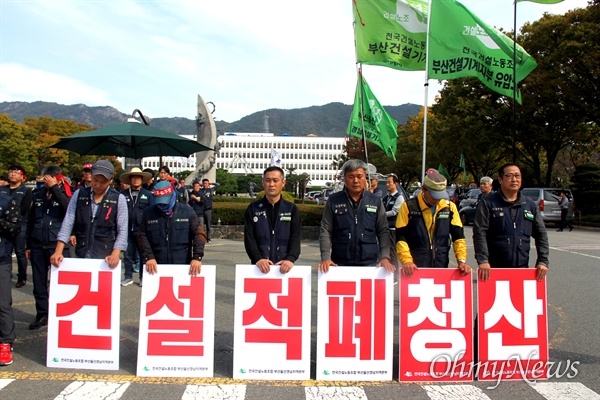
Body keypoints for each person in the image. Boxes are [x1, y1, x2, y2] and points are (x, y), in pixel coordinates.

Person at [473, 163, 549, 282]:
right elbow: (480, 233)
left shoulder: (529, 204)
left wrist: (543, 261)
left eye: (517, 176)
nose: (514, 179)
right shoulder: (488, 203)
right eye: (509, 176)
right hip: (494, 269)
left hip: (522, 268)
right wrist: (483, 260)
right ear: (500, 179)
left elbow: (541, 234)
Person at [318, 159, 394, 273]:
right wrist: (325, 257)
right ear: (344, 178)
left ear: (365, 178)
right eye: (351, 176)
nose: (355, 181)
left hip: (370, 263)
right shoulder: (333, 200)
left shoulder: (375, 201)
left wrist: (385, 257)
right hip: (339, 264)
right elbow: (325, 230)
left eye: (359, 176)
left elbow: (383, 231)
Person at [50, 160, 128, 269]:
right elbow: (68, 222)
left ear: (110, 180)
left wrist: (115, 254)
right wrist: (58, 251)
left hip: (105, 254)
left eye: (103, 182)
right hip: (81, 250)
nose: (98, 185)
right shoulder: (79, 194)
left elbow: (122, 229)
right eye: (95, 180)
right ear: (90, 176)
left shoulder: (119, 199)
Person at [396, 171, 471, 278]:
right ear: (423, 189)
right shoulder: (408, 206)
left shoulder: (449, 207)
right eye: (434, 195)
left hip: (441, 263)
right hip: (415, 266)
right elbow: (400, 237)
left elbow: (458, 236)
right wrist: (406, 260)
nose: (437, 199)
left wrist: (461, 260)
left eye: (440, 196)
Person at [25, 165, 71, 330]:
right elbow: (31, 221)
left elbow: (68, 208)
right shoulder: (38, 195)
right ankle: (42, 313)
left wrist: (55, 188)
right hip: (38, 244)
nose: (46, 182)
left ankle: (62, 313)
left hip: (57, 244)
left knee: (61, 282)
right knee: (39, 283)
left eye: (49, 179)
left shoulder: (66, 194)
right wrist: (28, 245)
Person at [137, 180, 205, 279]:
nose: (163, 205)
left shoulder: (188, 212)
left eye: (165, 201)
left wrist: (197, 257)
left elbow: (198, 235)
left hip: (182, 262)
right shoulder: (148, 213)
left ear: (173, 196)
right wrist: (149, 257)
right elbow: (142, 235)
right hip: (156, 264)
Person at [244, 166, 301, 274]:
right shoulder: (253, 208)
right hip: (259, 267)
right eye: (268, 180)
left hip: (285, 267)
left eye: (275, 180)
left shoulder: (291, 209)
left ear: (283, 183)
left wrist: (290, 259)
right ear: (263, 183)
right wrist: (258, 258)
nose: (271, 184)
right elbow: (249, 238)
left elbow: (296, 237)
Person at [119, 168, 154, 287]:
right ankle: (128, 276)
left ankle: (143, 277)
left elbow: (152, 211)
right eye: (133, 177)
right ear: (129, 180)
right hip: (126, 229)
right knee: (127, 255)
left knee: (143, 255)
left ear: (142, 180)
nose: (135, 179)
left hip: (142, 230)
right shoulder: (122, 195)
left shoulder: (148, 195)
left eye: (138, 177)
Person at [0, 165, 33, 288]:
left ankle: (22, 276)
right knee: (5, 251)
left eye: (16, 172)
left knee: (20, 252)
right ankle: (6, 274)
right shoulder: (2, 189)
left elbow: (25, 208)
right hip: (4, 225)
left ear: (22, 176)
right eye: (11, 172)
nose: (13, 174)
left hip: (20, 225)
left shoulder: (26, 191)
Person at [0, 191, 21, 366]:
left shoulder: (7, 201)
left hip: (1, 259)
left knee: (2, 303)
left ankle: (5, 343)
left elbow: (15, 228)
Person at [382, 174, 404, 269]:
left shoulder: (399, 198)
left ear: (396, 184)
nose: (387, 185)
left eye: (389, 183)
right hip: (384, 228)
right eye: (386, 183)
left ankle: (395, 276)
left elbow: (394, 211)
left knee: (392, 252)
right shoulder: (385, 198)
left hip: (393, 229)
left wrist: (381, 215)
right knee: (385, 251)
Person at [199, 178, 216, 243]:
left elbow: (218, 185)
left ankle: (209, 238)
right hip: (201, 209)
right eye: (204, 183)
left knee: (208, 225)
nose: (205, 185)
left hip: (208, 209)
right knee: (201, 225)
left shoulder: (211, 190)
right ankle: (202, 238)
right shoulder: (200, 191)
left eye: (206, 183)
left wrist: (211, 183)